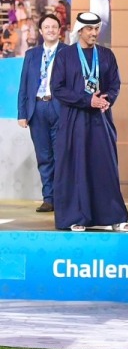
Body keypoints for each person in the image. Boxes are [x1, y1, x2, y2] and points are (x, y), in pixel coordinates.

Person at [50, 12, 128, 232]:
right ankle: (76, 218)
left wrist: (107, 100)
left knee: (105, 166)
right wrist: (88, 100)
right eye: (89, 29)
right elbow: (57, 88)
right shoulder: (65, 56)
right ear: (80, 30)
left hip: (101, 119)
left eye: (96, 28)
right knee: (76, 166)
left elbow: (115, 84)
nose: (94, 33)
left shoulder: (106, 55)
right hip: (74, 120)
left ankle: (114, 216)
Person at [17, 13, 63, 213]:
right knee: (44, 156)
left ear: (60, 31)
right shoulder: (31, 55)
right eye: (47, 27)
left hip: (59, 108)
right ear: (41, 31)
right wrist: (22, 113)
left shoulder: (68, 52)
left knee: (62, 155)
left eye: (54, 26)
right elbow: (23, 86)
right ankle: (49, 198)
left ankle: (63, 199)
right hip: (37, 109)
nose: (51, 30)